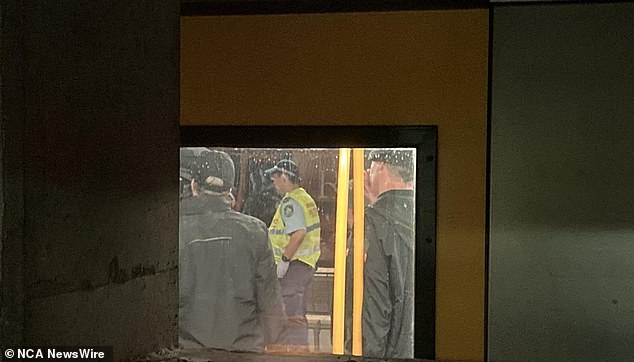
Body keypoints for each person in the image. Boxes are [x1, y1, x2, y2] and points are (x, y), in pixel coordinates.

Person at [179, 149, 287, 352]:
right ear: (230, 190)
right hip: (243, 351)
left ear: (194, 185)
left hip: (188, 351)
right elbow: (271, 306)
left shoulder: (174, 231)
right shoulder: (255, 231)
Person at [362, 149, 416, 359]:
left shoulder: (373, 224)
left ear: (381, 165)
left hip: (389, 354)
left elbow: (375, 305)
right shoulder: (425, 213)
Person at [265, 159, 321, 352]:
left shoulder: (291, 201)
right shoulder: (304, 198)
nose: (273, 180)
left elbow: (298, 233)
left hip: (294, 268)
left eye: (276, 176)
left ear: (285, 177)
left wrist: (284, 262)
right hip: (303, 266)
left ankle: (297, 356)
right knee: (296, 316)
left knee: (291, 319)